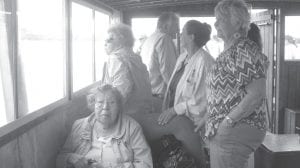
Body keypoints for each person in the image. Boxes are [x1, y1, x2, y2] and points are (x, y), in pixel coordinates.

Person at [201, 0, 269, 168]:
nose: (215, 23)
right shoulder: (232, 49)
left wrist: (228, 122)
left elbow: (256, 93)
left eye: (221, 19)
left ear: (238, 22)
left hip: (236, 128)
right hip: (231, 128)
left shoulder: (243, 49)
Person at [56, 84, 153, 168]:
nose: (105, 108)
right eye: (100, 102)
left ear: (119, 106)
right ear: (93, 105)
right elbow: (60, 159)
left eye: (111, 103)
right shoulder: (79, 126)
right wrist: (70, 158)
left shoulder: (131, 128)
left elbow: (146, 165)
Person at [102, 23, 152, 114]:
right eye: (106, 39)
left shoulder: (115, 58)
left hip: (128, 114)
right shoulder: (135, 57)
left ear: (122, 40)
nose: (106, 42)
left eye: (111, 39)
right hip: (144, 109)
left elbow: (121, 92)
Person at [140, 12, 179, 98]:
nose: (178, 30)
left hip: (150, 92)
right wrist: (176, 91)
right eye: (176, 26)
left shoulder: (149, 39)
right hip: (161, 94)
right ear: (166, 26)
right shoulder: (164, 38)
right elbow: (167, 69)